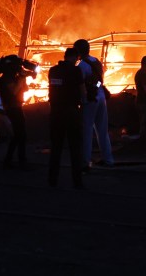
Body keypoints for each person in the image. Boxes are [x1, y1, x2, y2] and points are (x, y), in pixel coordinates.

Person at [48, 47, 86, 188]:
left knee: (56, 147)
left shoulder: (53, 70)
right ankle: (77, 182)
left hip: (56, 113)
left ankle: (52, 180)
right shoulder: (76, 71)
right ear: (74, 57)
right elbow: (83, 92)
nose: (77, 61)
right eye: (77, 58)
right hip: (71, 113)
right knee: (75, 148)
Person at [0, 54, 37, 169]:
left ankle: (9, 160)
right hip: (12, 108)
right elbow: (13, 92)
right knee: (20, 135)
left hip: (16, 107)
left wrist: (25, 76)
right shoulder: (6, 79)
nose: (20, 67)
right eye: (18, 65)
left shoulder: (12, 76)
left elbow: (24, 89)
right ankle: (20, 161)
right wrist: (22, 77)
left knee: (18, 135)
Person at [76, 38, 114, 170]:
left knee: (87, 131)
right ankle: (108, 159)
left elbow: (80, 84)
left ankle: (86, 161)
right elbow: (100, 81)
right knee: (102, 130)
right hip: (101, 98)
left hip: (89, 101)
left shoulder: (82, 66)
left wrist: (86, 94)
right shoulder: (97, 62)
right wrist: (96, 87)